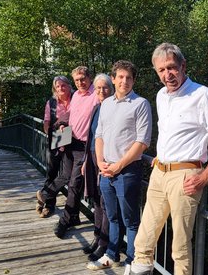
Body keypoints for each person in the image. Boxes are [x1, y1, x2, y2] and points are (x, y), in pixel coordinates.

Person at [129, 43, 208, 275]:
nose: (167, 75)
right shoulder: (161, 96)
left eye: (172, 68)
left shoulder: (202, 95)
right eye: (161, 70)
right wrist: (160, 158)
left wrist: (205, 177)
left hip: (186, 176)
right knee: (143, 241)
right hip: (159, 173)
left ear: (183, 66)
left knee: (179, 248)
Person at [87, 60, 152, 275]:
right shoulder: (106, 104)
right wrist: (101, 162)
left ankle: (132, 262)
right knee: (112, 217)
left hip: (127, 172)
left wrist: (117, 166)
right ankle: (112, 254)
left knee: (131, 221)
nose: (124, 81)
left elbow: (142, 142)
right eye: (121, 77)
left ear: (134, 80)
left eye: (129, 78)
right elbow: (99, 136)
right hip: (106, 171)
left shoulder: (140, 104)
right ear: (113, 79)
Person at [54, 66, 100, 238]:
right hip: (70, 142)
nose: (80, 82)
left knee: (74, 184)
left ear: (89, 78)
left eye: (83, 79)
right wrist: (60, 124)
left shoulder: (96, 94)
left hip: (85, 147)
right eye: (77, 80)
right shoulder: (75, 96)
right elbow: (70, 115)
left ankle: (64, 221)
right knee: (67, 179)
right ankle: (73, 217)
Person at [81, 73, 114, 261]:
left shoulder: (112, 109)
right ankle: (97, 237)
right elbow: (90, 137)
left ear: (111, 89)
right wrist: (86, 159)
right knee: (95, 199)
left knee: (105, 202)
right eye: (99, 88)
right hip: (92, 158)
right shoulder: (96, 108)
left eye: (105, 87)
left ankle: (104, 243)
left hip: (105, 160)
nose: (102, 91)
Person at [36, 75, 73, 218]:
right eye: (57, 86)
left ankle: (46, 195)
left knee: (69, 174)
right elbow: (46, 122)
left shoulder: (76, 99)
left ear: (69, 86)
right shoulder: (51, 103)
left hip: (75, 138)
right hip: (58, 137)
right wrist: (53, 136)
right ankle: (49, 205)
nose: (61, 88)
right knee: (52, 171)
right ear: (54, 89)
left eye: (63, 85)